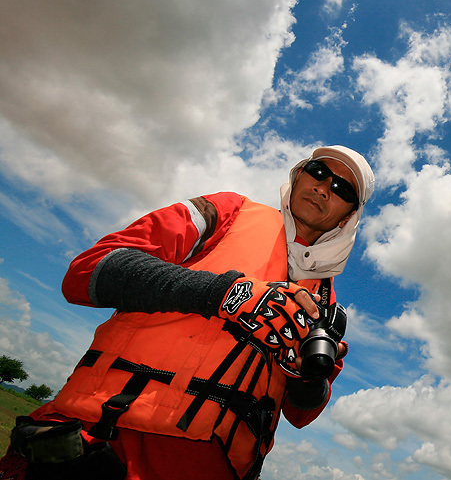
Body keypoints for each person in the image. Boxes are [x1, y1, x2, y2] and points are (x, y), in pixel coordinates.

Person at [0, 146, 375, 480]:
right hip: (100, 434)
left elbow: (302, 413)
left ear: (347, 218)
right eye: (319, 172)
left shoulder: (327, 308)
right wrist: (227, 293)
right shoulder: (228, 212)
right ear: (299, 174)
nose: (324, 188)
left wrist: (306, 376)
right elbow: (89, 272)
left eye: (342, 190)